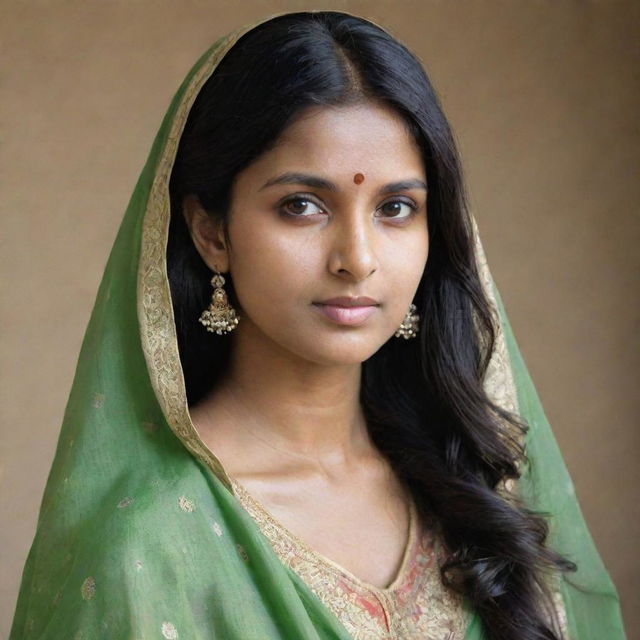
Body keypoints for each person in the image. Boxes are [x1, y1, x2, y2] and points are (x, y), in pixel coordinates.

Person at [9, 10, 626, 640]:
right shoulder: (149, 546)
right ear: (211, 233)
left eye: (395, 208)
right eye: (301, 206)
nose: (357, 259)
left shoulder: (475, 491)